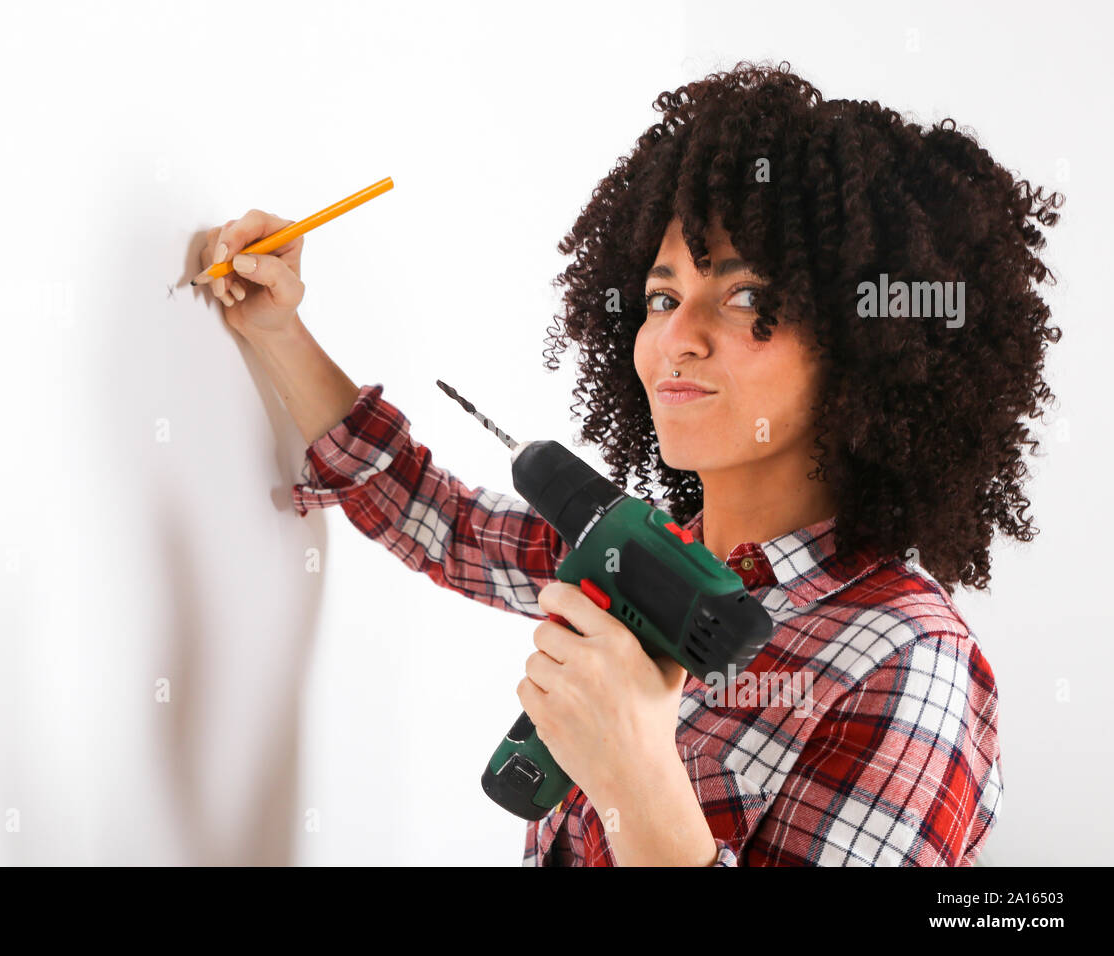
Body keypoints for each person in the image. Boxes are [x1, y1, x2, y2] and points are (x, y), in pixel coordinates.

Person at [200, 61, 1062, 866]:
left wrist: (638, 779)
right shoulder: (647, 558)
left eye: (746, 296)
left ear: (867, 345)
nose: (676, 339)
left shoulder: (907, 660)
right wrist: (278, 332)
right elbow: (443, 522)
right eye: (661, 296)